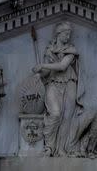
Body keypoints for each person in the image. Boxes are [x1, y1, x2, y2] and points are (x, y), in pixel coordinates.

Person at [32, 21, 82, 156]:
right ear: (58, 34)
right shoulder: (49, 50)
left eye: (69, 34)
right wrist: (39, 73)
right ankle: (49, 147)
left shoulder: (71, 50)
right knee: (55, 113)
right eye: (66, 34)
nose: (68, 37)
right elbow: (47, 73)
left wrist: (42, 65)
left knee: (66, 117)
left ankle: (61, 149)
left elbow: (62, 66)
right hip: (53, 83)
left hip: (69, 82)